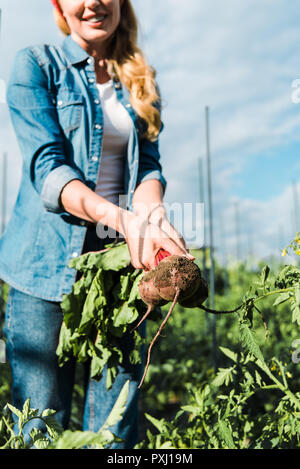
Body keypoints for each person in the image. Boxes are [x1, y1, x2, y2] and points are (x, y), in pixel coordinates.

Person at [0, 0, 194, 448]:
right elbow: (49, 170)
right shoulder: (37, 65)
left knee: (116, 424)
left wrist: (153, 214)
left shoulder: (139, 80)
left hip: (119, 270)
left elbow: (147, 167)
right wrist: (122, 218)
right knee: (39, 425)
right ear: (58, 6)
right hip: (43, 268)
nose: (93, 3)